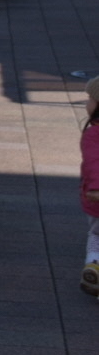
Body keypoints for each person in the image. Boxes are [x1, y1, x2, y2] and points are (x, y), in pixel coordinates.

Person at [80, 77, 99, 297]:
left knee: (96, 233)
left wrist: (95, 187)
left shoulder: (94, 134)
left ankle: (93, 264)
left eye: (90, 99)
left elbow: (95, 163)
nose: (87, 103)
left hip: (96, 198)